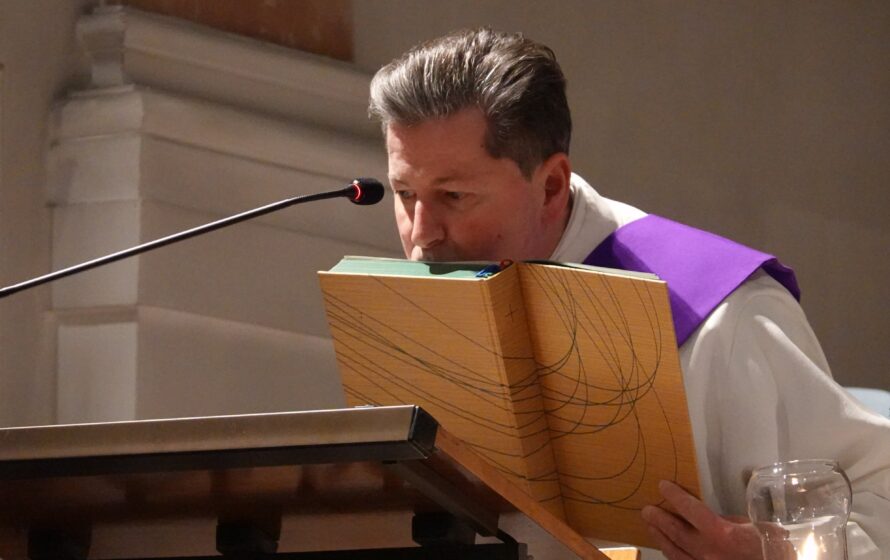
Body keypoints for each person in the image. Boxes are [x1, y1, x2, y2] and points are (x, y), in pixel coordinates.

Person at [367, 28, 890, 560]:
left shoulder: (724, 316)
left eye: (454, 196)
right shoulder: (415, 311)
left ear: (551, 185)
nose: (421, 235)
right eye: (405, 195)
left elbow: (881, 503)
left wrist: (771, 553)